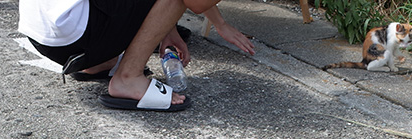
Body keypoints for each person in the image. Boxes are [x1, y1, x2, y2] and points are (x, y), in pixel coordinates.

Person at [18, 0, 253, 112]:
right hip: (79, 33)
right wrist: (221, 25)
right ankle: (128, 78)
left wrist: (166, 30)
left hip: (46, 36)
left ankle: (100, 64)